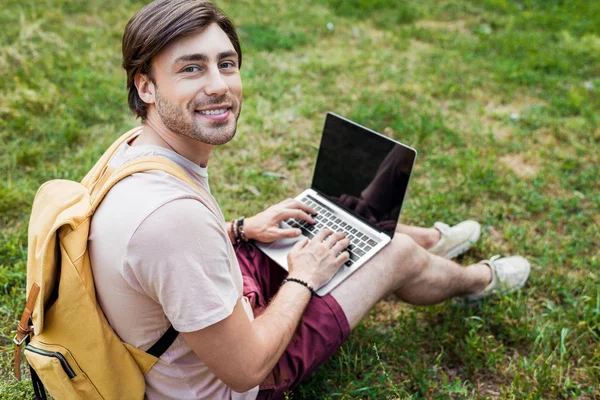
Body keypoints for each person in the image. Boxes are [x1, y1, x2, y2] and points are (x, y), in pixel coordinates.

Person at [88, 1, 531, 399]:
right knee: (392, 253)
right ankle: (476, 280)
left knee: (319, 217)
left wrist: (240, 229)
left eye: (226, 63)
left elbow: (150, 260)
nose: (219, 85)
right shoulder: (172, 220)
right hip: (230, 383)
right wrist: (304, 278)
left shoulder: (132, 153)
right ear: (145, 86)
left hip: (197, 315)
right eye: (191, 69)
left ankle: (434, 241)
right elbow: (246, 370)